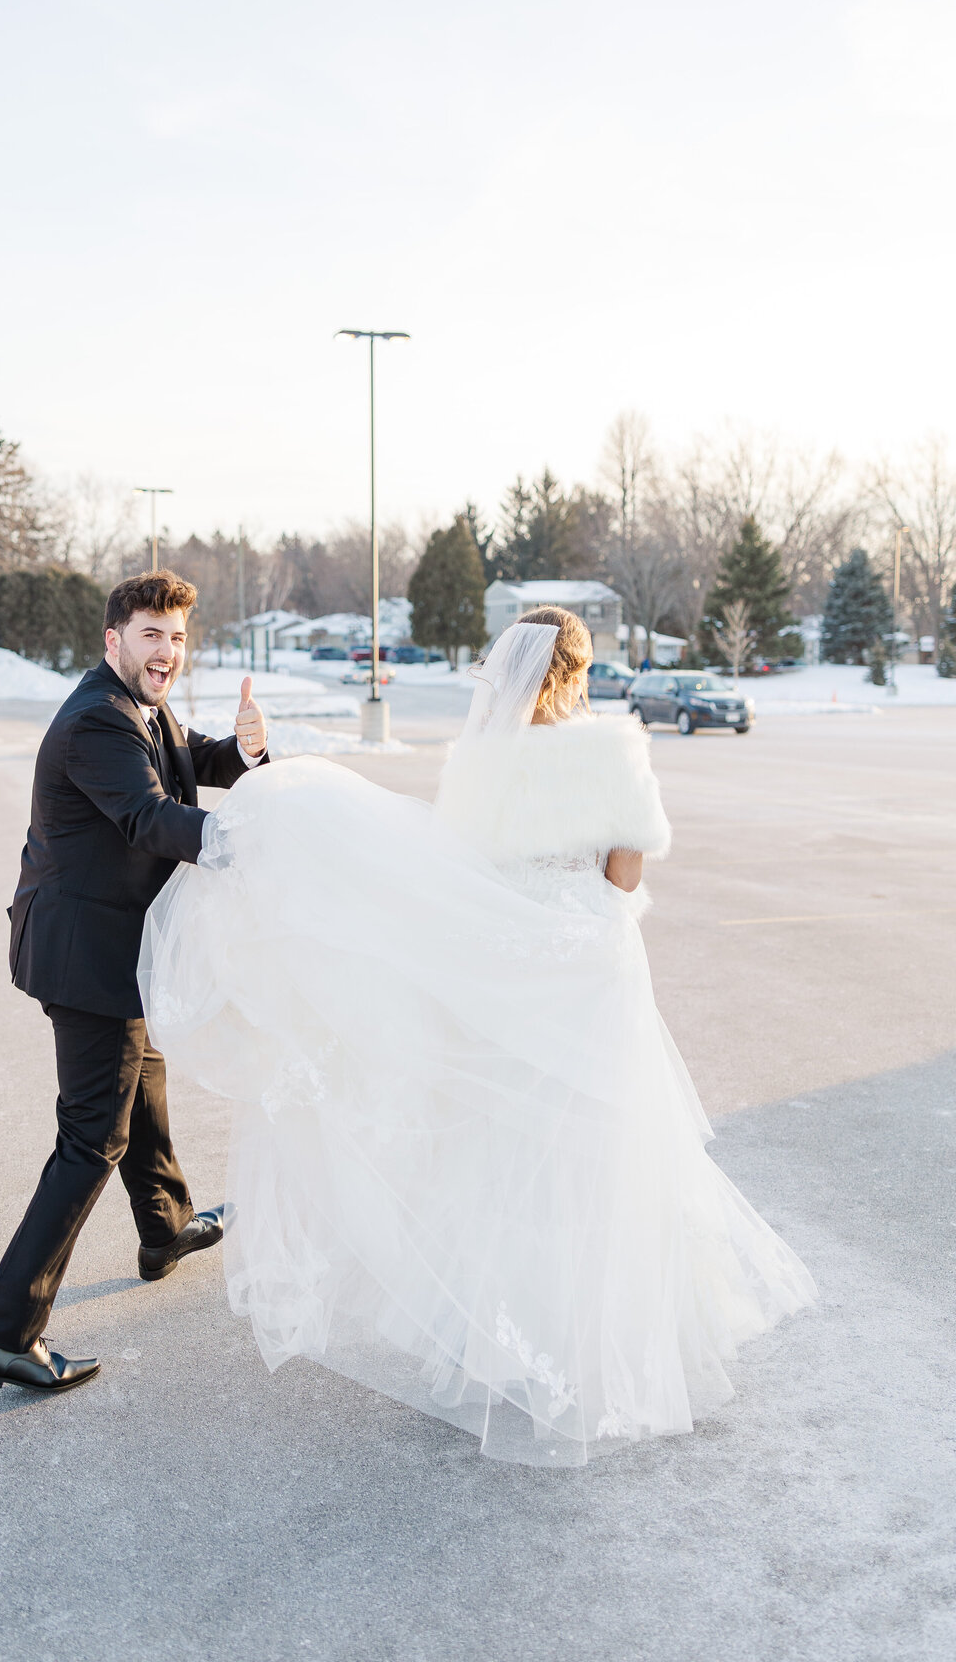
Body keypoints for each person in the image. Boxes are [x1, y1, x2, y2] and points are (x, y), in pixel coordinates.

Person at [139, 606, 816, 1465]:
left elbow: (452, 875)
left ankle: (496, 1339)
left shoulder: (482, 767)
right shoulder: (611, 753)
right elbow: (624, 876)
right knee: (594, 1149)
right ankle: (600, 1339)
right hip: (593, 976)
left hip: (506, 980)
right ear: (575, 672)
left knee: (502, 1152)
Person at [0, 570, 269, 1394]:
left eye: (175, 637)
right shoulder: (98, 719)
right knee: (91, 1138)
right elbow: (150, 817)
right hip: (84, 956)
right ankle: (4, 1334)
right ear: (113, 640)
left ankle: (163, 1228)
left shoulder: (140, 706)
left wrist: (240, 753)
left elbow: (190, 761)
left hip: (108, 949)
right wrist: (257, 843)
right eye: (150, 635)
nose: (166, 651)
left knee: (145, 1080)